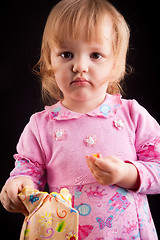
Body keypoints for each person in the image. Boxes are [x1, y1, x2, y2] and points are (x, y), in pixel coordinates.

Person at [0, 0, 160, 239]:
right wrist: (18, 186)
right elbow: (27, 171)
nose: (80, 66)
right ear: (50, 60)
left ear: (115, 61)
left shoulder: (132, 116)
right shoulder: (41, 126)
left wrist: (127, 174)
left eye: (96, 55)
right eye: (66, 54)